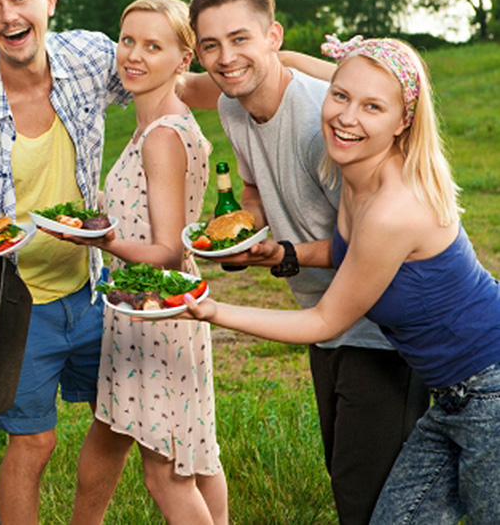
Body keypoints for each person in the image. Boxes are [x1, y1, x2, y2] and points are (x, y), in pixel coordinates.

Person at [0, 0, 227, 525]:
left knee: (119, 423)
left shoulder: (92, 58)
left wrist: (270, 76)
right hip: (23, 304)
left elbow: (171, 81)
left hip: (99, 290)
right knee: (34, 443)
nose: (9, 16)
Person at [183, 34, 500, 524]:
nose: (347, 116)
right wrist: (281, 253)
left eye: (372, 107)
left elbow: (325, 320)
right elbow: (346, 253)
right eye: (340, 96)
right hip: (455, 396)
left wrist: (212, 310)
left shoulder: (393, 208)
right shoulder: (358, 174)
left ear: (403, 122)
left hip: (490, 391)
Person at [50, 0, 227, 524]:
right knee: (185, 453)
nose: (134, 55)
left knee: (167, 471)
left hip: (158, 313)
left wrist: (97, 239)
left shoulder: (163, 137)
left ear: (183, 60)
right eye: (128, 41)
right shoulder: (155, 123)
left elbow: (168, 250)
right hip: (142, 311)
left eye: (154, 46)